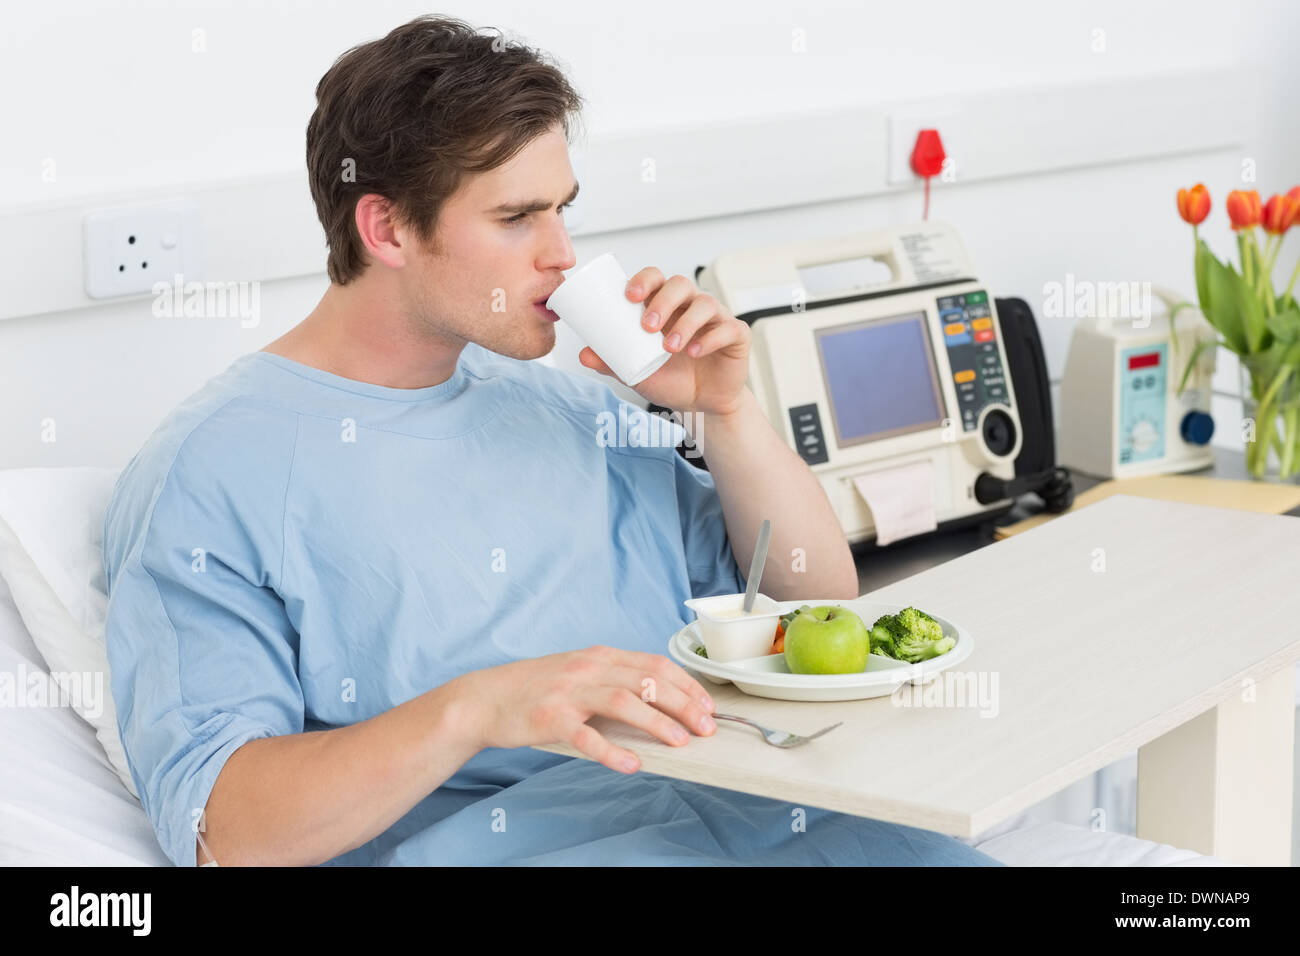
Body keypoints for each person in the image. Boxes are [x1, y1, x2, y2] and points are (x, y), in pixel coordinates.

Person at [102, 14, 1003, 867]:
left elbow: (810, 603)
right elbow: (225, 828)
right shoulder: (218, 469)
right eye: (516, 217)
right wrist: (475, 710)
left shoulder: (569, 408)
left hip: (770, 814)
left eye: (564, 208)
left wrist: (725, 415)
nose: (563, 254)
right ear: (385, 228)